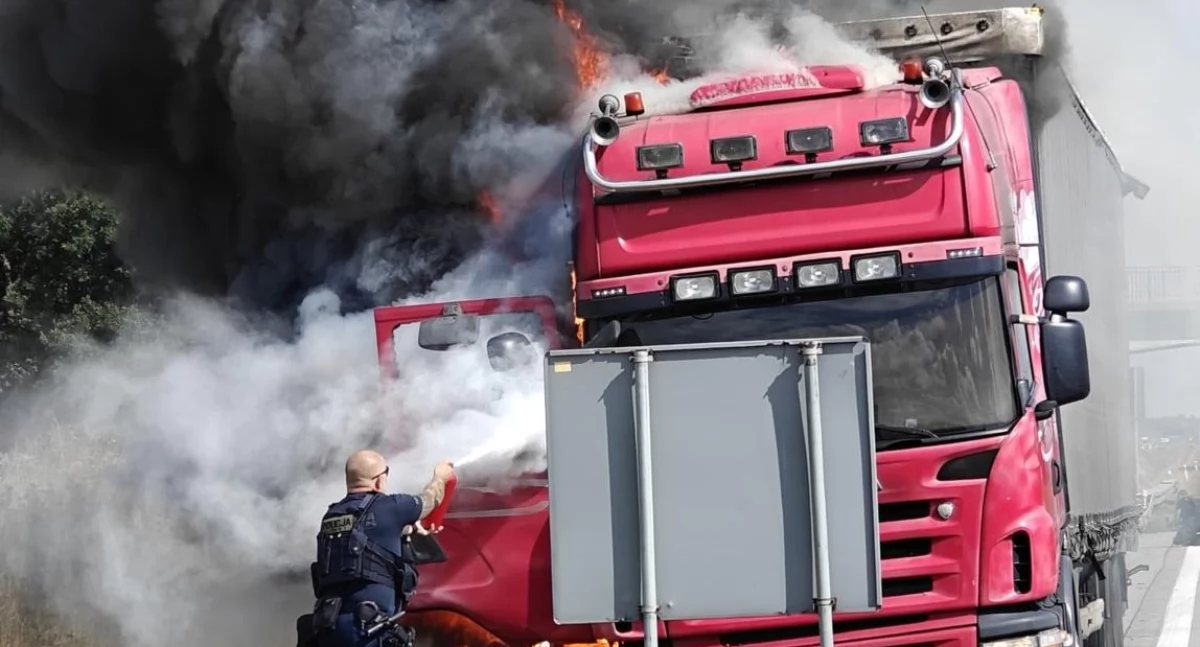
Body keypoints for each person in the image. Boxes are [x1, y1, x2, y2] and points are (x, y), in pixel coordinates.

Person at [302, 450, 456, 647]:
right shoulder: (391, 506)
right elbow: (431, 499)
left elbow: (368, 535)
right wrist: (440, 476)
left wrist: (407, 529)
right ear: (378, 480)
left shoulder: (331, 515)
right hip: (369, 633)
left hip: (330, 631)